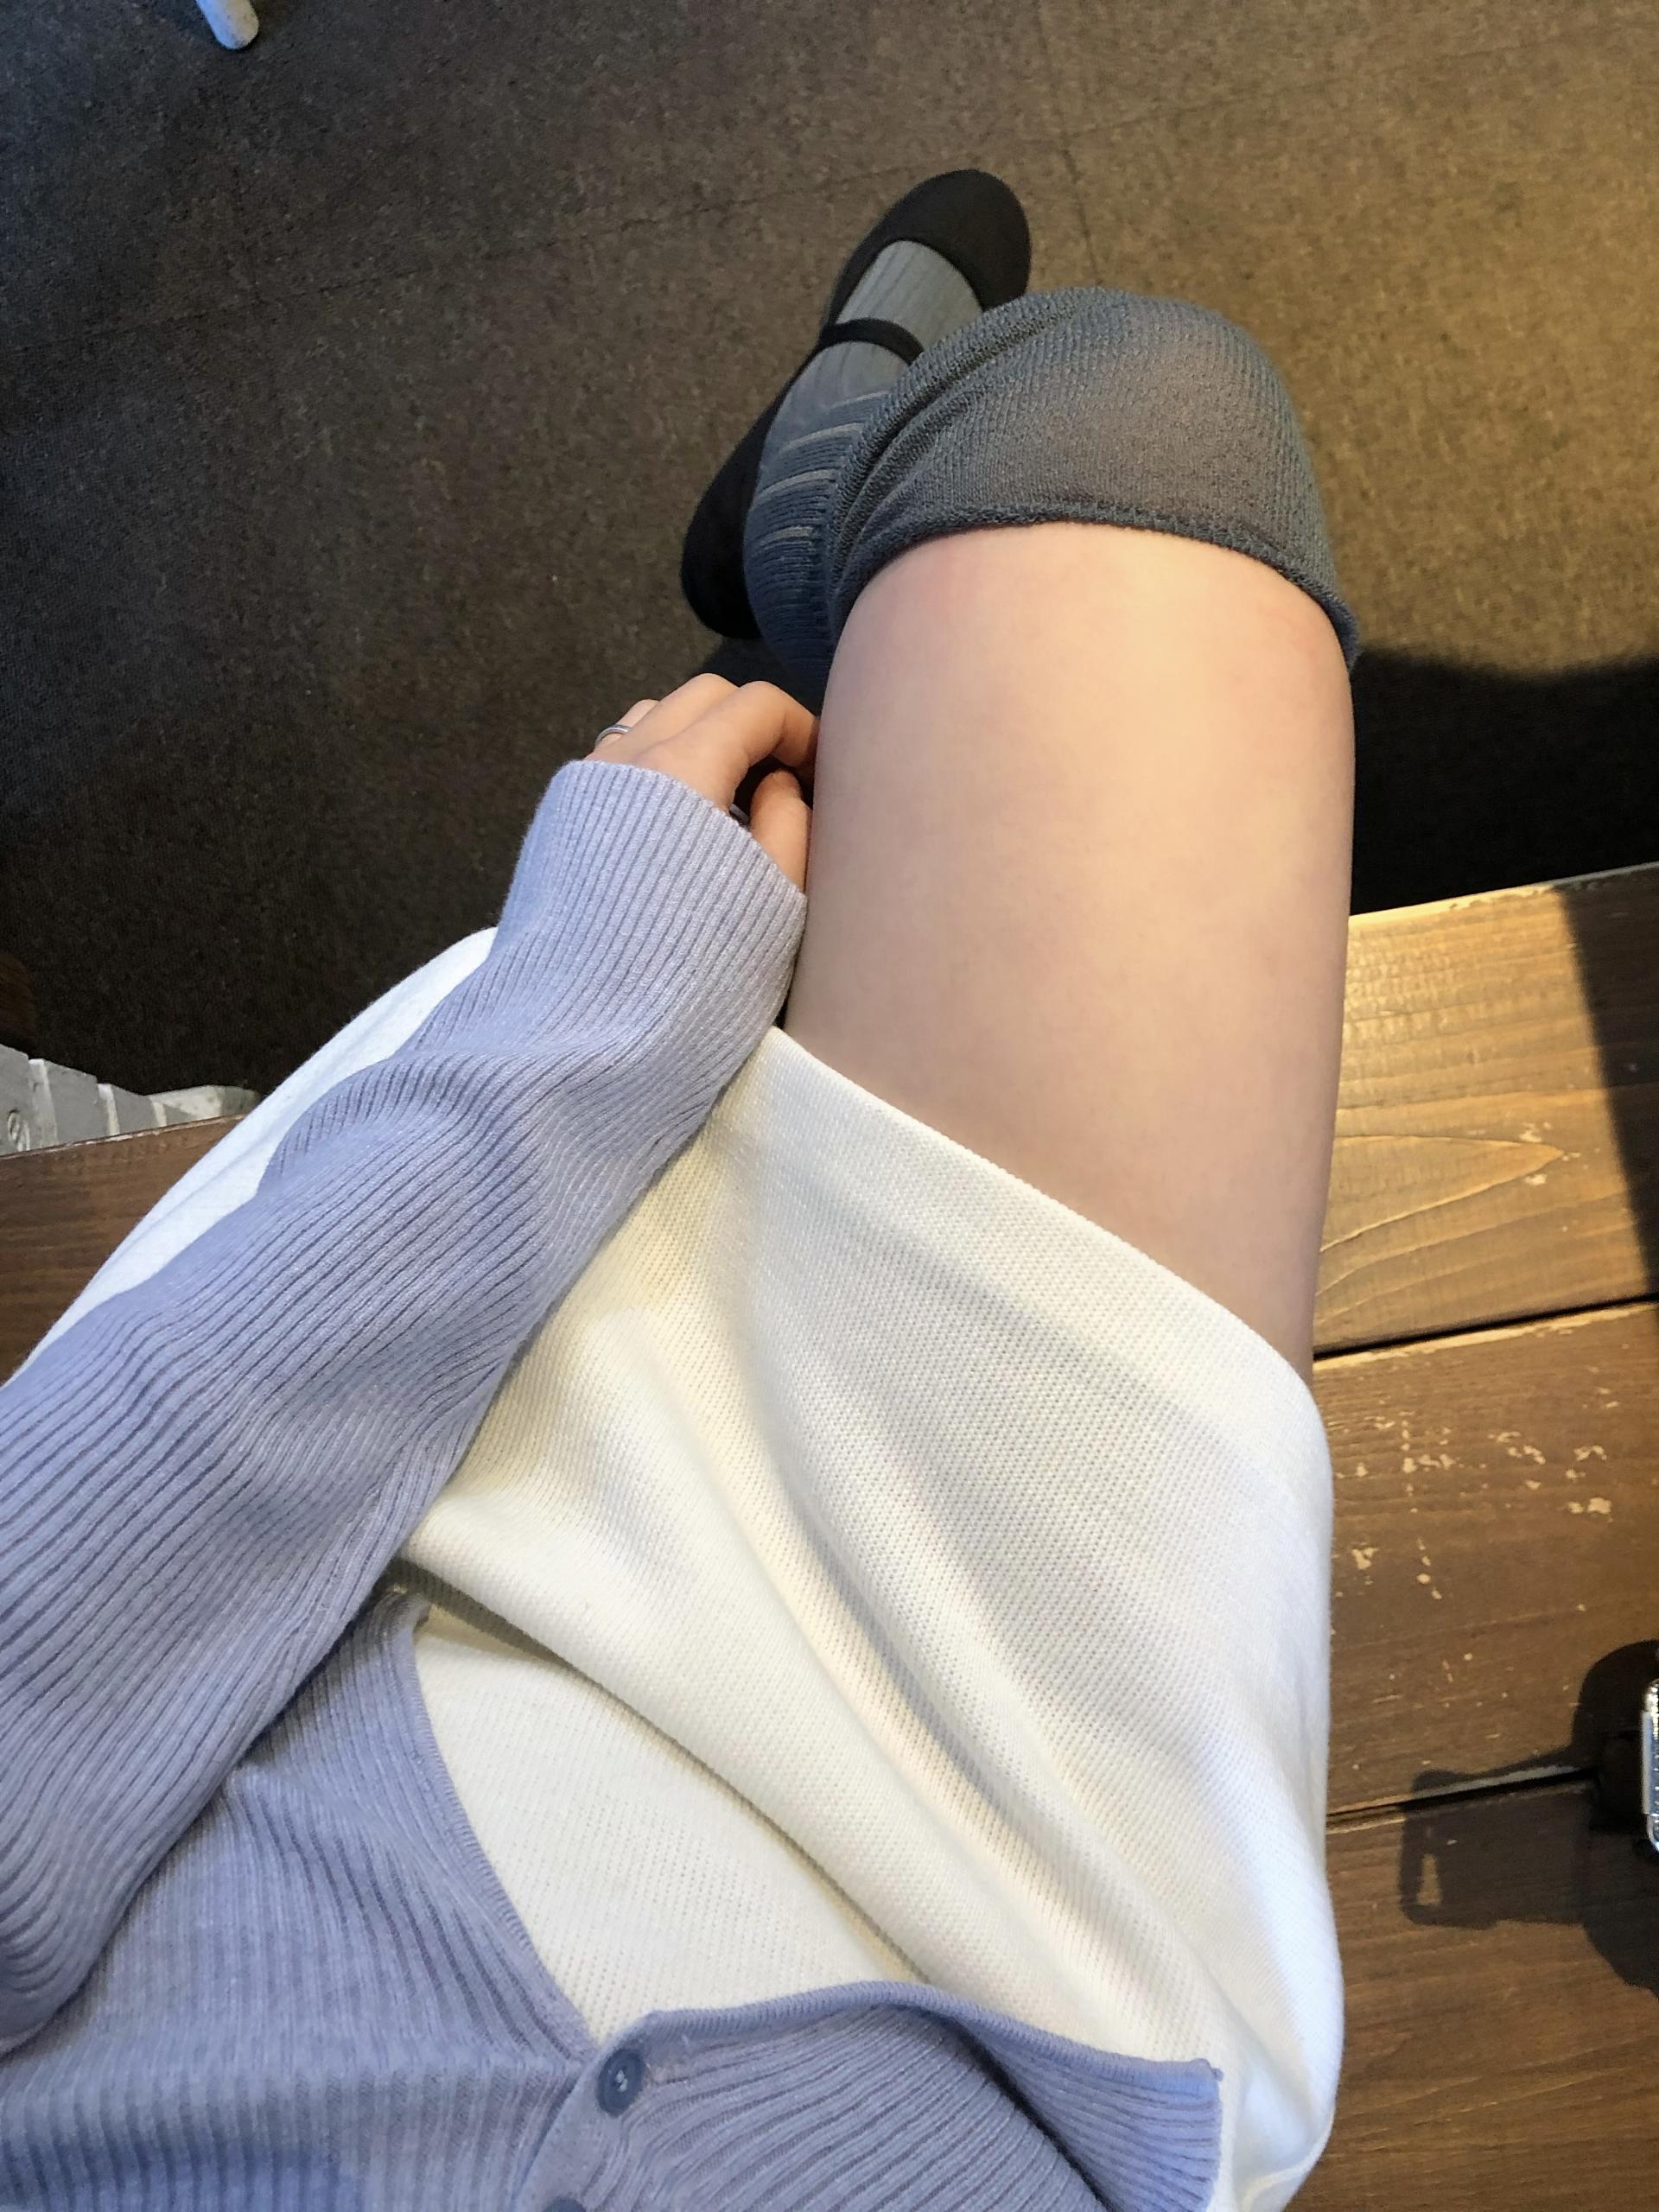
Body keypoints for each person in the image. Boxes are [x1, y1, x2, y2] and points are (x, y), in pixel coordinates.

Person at [0, 171, 1358, 2209]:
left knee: (1090, 448)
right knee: (1130, 444)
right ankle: (808, 513)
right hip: (1047, 1937)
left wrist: (591, 1002)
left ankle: (815, 550)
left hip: (367, 1642)